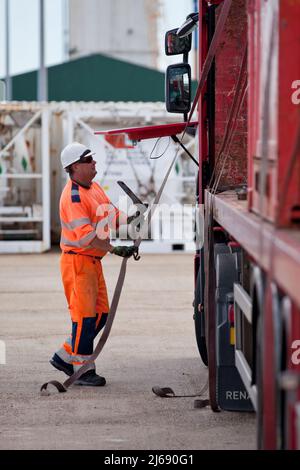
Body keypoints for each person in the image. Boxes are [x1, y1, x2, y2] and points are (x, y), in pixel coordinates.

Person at [50, 142, 138, 386]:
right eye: (89, 160)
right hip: (77, 263)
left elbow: (111, 216)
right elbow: (87, 236)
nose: (94, 163)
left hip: (92, 262)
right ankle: (83, 370)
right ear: (75, 167)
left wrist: (132, 218)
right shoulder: (73, 197)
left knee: (100, 316)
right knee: (84, 319)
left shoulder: (95, 188)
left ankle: (64, 356)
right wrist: (115, 249)